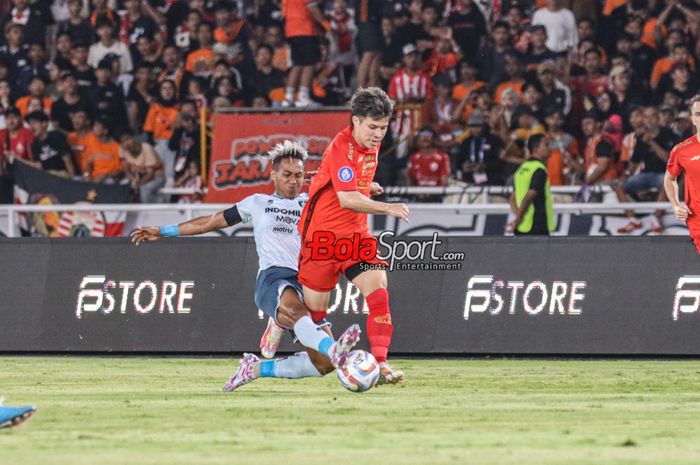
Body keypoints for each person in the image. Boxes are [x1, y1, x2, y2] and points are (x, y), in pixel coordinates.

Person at [130, 141, 362, 391]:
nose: (293, 181)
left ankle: (255, 368)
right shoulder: (257, 203)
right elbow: (209, 222)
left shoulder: (311, 202)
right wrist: (163, 231)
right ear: (273, 175)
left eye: (298, 175)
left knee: (324, 365)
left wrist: (360, 186)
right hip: (273, 277)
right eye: (286, 175)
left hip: (306, 281)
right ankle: (333, 347)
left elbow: (348, 193)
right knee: (300, 315)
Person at [297, 87, 409, 385]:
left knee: (379, 294)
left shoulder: (370, 146)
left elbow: (346, 182)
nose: (378, 134)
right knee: (314, 317)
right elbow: (346, 198)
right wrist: (387, 207)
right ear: (355, 121)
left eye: (383, 128)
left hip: (356, 237)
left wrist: (367, 185)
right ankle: (279, 320)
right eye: (372, 127)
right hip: (322, 239)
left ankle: (382, 365)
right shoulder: (341, 146)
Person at [665, 95, 700, 254]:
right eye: (698, 114)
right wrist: (675, 205)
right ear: (692, 119)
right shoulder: (681, 150)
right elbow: (669, 178)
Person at [508, 134, 554, 236]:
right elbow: (530, 195)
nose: (549, 148)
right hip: (537, 225)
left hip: (522, 226)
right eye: (546, 145)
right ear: (536, 148)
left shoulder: (521, 169)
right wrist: (519, 217)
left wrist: (519, 217)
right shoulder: (539, 169)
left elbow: (512, 199)